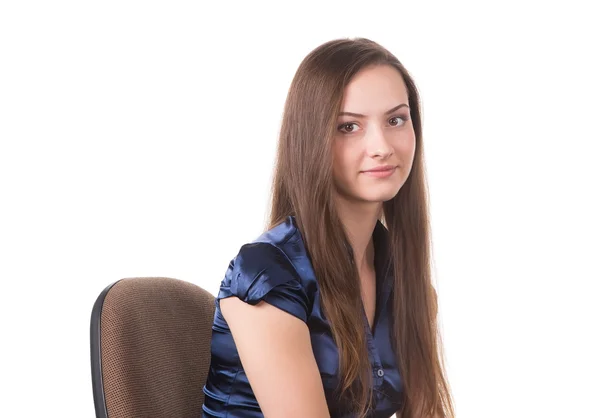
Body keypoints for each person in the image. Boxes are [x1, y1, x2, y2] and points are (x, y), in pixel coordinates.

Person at [201, 37, 454, 418]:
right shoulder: (267, 276)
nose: (382, 146)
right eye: (349, 126)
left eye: (396, 120)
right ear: (312, 140)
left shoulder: (404, 281)